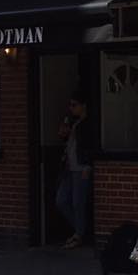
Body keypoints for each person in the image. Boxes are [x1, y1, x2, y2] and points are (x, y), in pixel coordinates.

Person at [57, 91, 95, 249]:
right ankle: (81, 230)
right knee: (62, 200)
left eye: (74, 105)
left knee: (78, 202)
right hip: (69, 167)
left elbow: (89, 146)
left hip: (81, 167)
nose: (71, 108)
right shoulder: (73, 123)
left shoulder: (88, 124)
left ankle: (79, 234)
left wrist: (88, 165)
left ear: (83, 106)